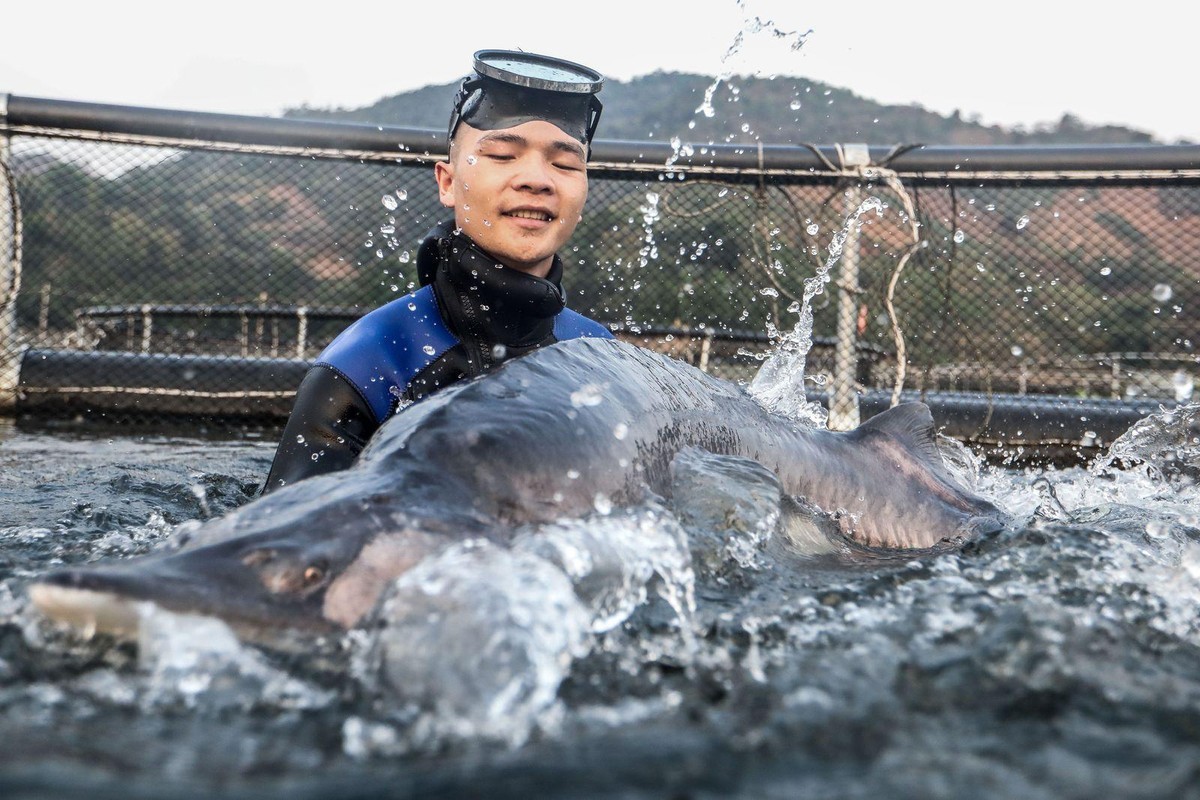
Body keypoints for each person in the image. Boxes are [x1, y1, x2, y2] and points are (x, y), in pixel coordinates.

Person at [262, 50, 614, 493]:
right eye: (503, 155)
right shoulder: (368, 362)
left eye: (565, 164)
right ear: (447, 183)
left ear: (582, 192)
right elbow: (283, 540)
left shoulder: (600, 355)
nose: (537, 180)